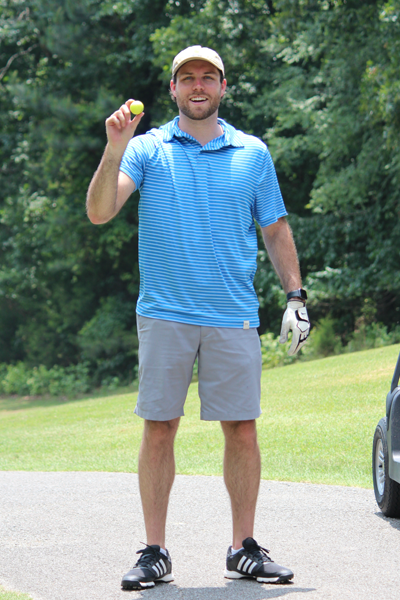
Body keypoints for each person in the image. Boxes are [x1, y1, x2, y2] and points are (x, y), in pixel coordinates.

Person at [86, 45, 310, 590]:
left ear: (224, 87)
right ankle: (155, 551)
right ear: (173, 90)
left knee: (241, 428)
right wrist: (113, 150)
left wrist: (296, 297)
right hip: (164, 313)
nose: (198, 86)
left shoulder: (252, 153)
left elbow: (275, 229)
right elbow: (98, 212)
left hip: (233, 314)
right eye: (187, 78)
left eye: (208, 77)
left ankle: (244, 547)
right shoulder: (147, 148)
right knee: (159, 428)